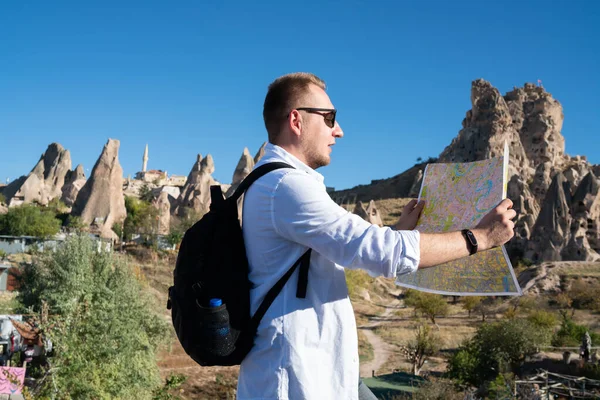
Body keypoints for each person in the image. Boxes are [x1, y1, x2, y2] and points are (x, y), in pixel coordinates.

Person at [237, 72, 516, 400]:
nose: (338, 130)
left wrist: (397, 232)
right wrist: (480, 237)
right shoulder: (287, 187)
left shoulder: (274, 184)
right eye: (330, 118)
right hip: (295, 382)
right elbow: (381, 252)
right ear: (296, 120)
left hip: (311, 374)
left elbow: (347, 250)